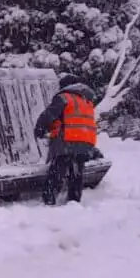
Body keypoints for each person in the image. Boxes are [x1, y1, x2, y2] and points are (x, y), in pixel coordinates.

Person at [34, 74, 100, 206]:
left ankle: (49, 199)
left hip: (68, 141)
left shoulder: (64, 98)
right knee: (76, 172)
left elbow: (48, 115)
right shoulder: (86, 101)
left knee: (57, 171)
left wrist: (39, 129)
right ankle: (74, 201)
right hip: (86, 142)